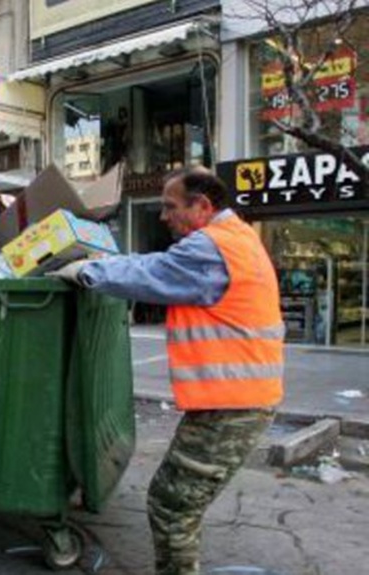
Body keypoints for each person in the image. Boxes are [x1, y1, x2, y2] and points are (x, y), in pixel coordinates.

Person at [52, 167, 284, 575]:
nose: (163, 216)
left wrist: (89, 271)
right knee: (178, 501)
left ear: (203, 207)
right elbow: (155, 264)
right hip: (237, 403)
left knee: (171, 503)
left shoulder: (212, 248)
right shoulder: (238, 238)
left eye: (170, 206)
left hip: (233, 407)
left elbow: (152, 273)